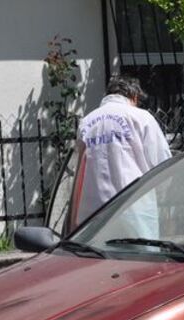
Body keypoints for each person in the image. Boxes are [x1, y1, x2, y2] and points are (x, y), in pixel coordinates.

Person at [73, 75, 172, 228]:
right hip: (133, 208)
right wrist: (161, 196)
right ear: (134, 96)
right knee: (137, 244)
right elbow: (161, 162)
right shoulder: (141, 117)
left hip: (93, 213)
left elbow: (80, 171)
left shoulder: (86, 122)